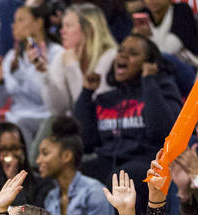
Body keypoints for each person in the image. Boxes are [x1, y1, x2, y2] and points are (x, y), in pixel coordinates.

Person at [75, 34, 180, 203]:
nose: (123, 56)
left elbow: (162, 132)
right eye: (121, 51)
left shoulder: (162, 90)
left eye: (133, 53)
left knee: (121, 179)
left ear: (149, 64)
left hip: (148, 162)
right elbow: (87, 141)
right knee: (75, 175)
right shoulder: (106, 99)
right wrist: (86, 94)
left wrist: (149, 81)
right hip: (109, 160)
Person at [0, 2, 60, 145]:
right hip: (15, 119)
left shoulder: (57, 54)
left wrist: (33, 71)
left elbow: (43, 98)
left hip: (45, 118)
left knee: (20, 125)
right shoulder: (11, 57)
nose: (13, 25)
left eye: (20, 20)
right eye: (14, 21)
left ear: (38, 23)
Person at [38, 116, 115, 215]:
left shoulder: (94, 192)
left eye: (45, 153)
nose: (38, 160)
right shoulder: (50, 198)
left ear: (67, 156)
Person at [41, 3, 116, 118]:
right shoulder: (62, 57)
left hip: (101, 123)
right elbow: (57, 109)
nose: (62, 31)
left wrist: (72, 67)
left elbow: (89, 111)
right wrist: (45, 73)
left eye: (68, 26)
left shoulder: (110, 56)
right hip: (74, 124)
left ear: (89, 28)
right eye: (62, 26)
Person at [0, 122, 50, 207]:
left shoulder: (41, 185)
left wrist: (14, 182)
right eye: (3, 149)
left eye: (15, 148)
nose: (10, 156)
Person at [135, 0, 198, 67]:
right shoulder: (142, 15)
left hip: (191, 66)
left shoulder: (181, 10)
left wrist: (147, 38)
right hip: (157, 68)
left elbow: (168, 50)